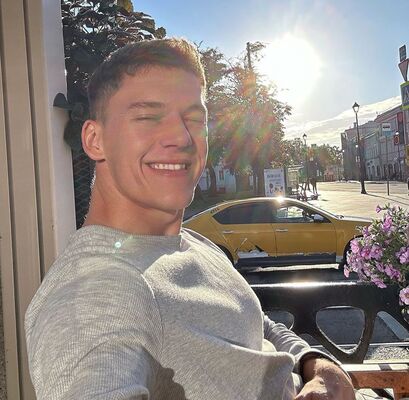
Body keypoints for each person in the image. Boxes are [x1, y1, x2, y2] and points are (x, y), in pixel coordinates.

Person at [25, 38, 355, 400]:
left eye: (194, 119)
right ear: (94, 139)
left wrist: (317, 366)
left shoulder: (193, 242)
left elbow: (255, 325)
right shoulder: (94, 293)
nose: (181, 137)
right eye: (148, 116)